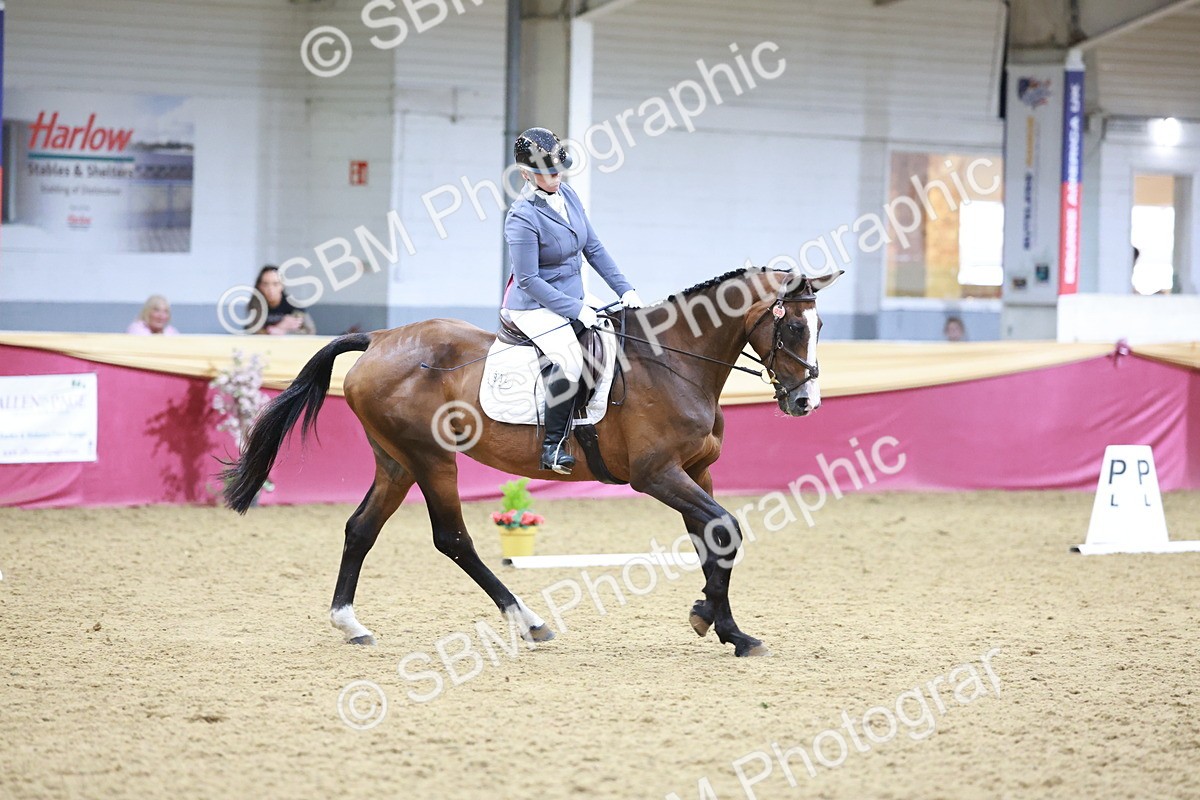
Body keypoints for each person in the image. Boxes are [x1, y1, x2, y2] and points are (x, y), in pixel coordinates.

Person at [503, 127, 643, 474]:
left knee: (621, 333)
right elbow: (529, 279)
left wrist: (624, 289)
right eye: (548, 172)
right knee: (568, 360)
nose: (556, 175)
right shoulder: (521, 216)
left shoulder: (569, 196)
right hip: (534, 305)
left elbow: (593, 248)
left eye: (559, 168)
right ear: (525, 174)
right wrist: (576, 309)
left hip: (575, 294)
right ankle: (552, 447)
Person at [246, 265, 316, 335]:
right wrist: (280, 327)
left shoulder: (294, 306)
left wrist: (286, 332)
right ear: (259, 286)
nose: (270, 289)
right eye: (265, 284)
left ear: (282, 285)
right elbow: (252, 332)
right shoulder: (255, 305)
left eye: (275, 284)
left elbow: (310, 331)